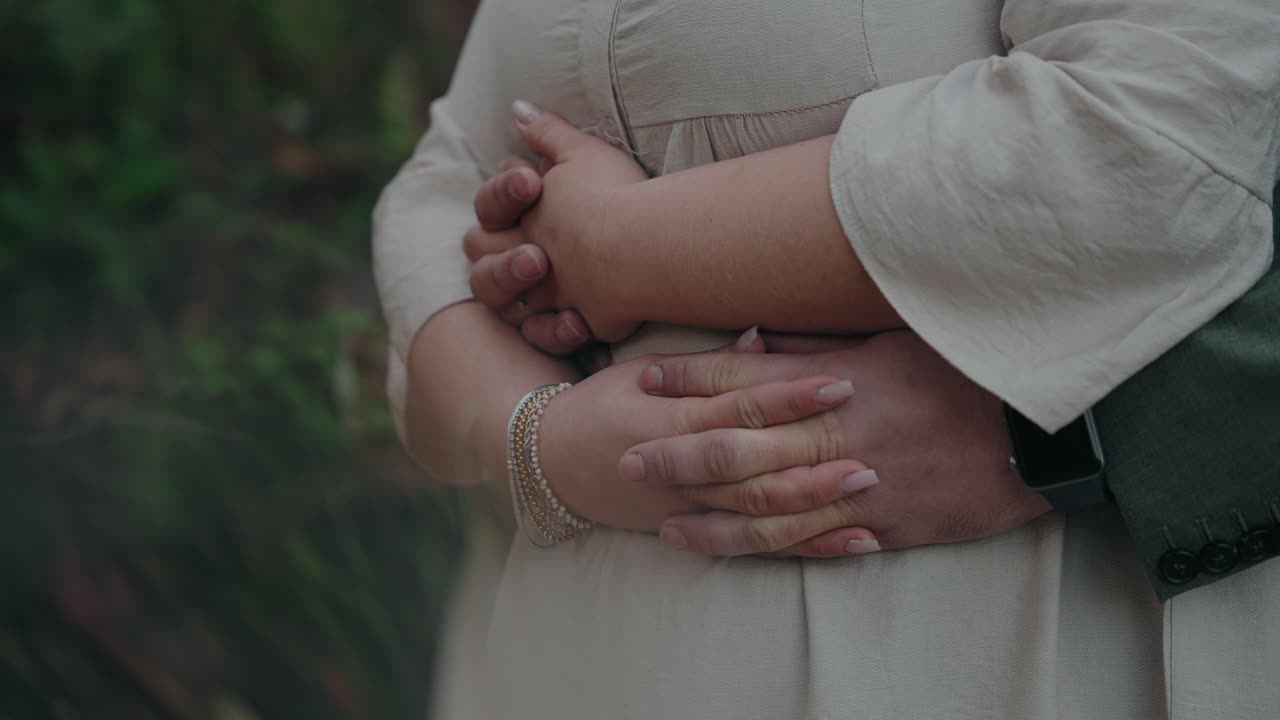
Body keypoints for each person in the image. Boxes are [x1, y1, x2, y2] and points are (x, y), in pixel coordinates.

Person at [373, 0, 1280, 717]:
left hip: (962, 652)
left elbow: (1142, 148)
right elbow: (438, 191)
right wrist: (547, 443)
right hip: (575, 660)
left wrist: (616, 247)